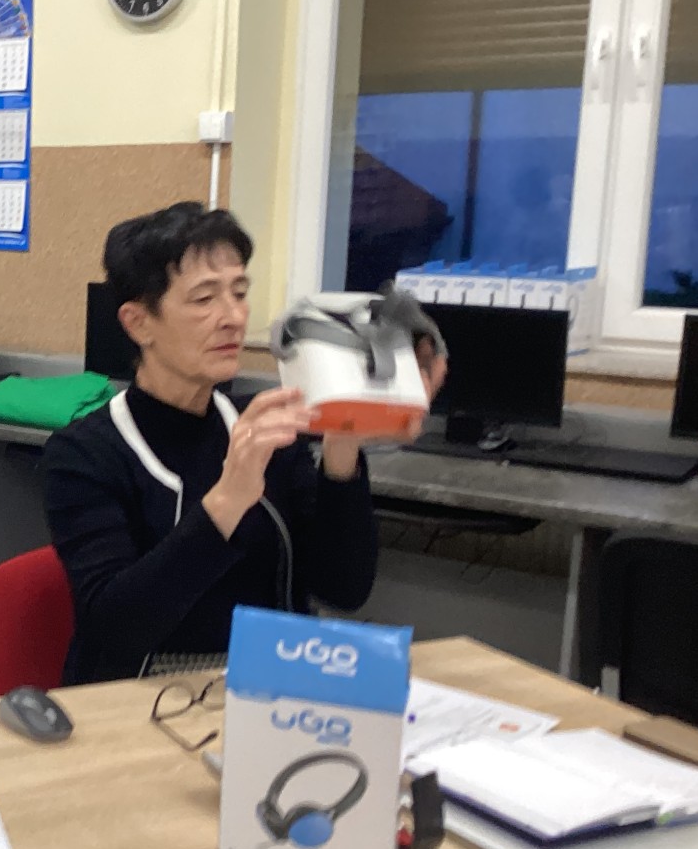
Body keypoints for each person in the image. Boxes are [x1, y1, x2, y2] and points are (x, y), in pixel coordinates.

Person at [44, 204, 445, 685]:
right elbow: (116, 629)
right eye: (204, 299)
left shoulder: (264, 428)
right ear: (138, 323)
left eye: (239, 293)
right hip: (146, 693)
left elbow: (344, 588)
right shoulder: (84, 454)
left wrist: (344, 441)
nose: (234, 317)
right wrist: (228, 499)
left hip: (273, 681)